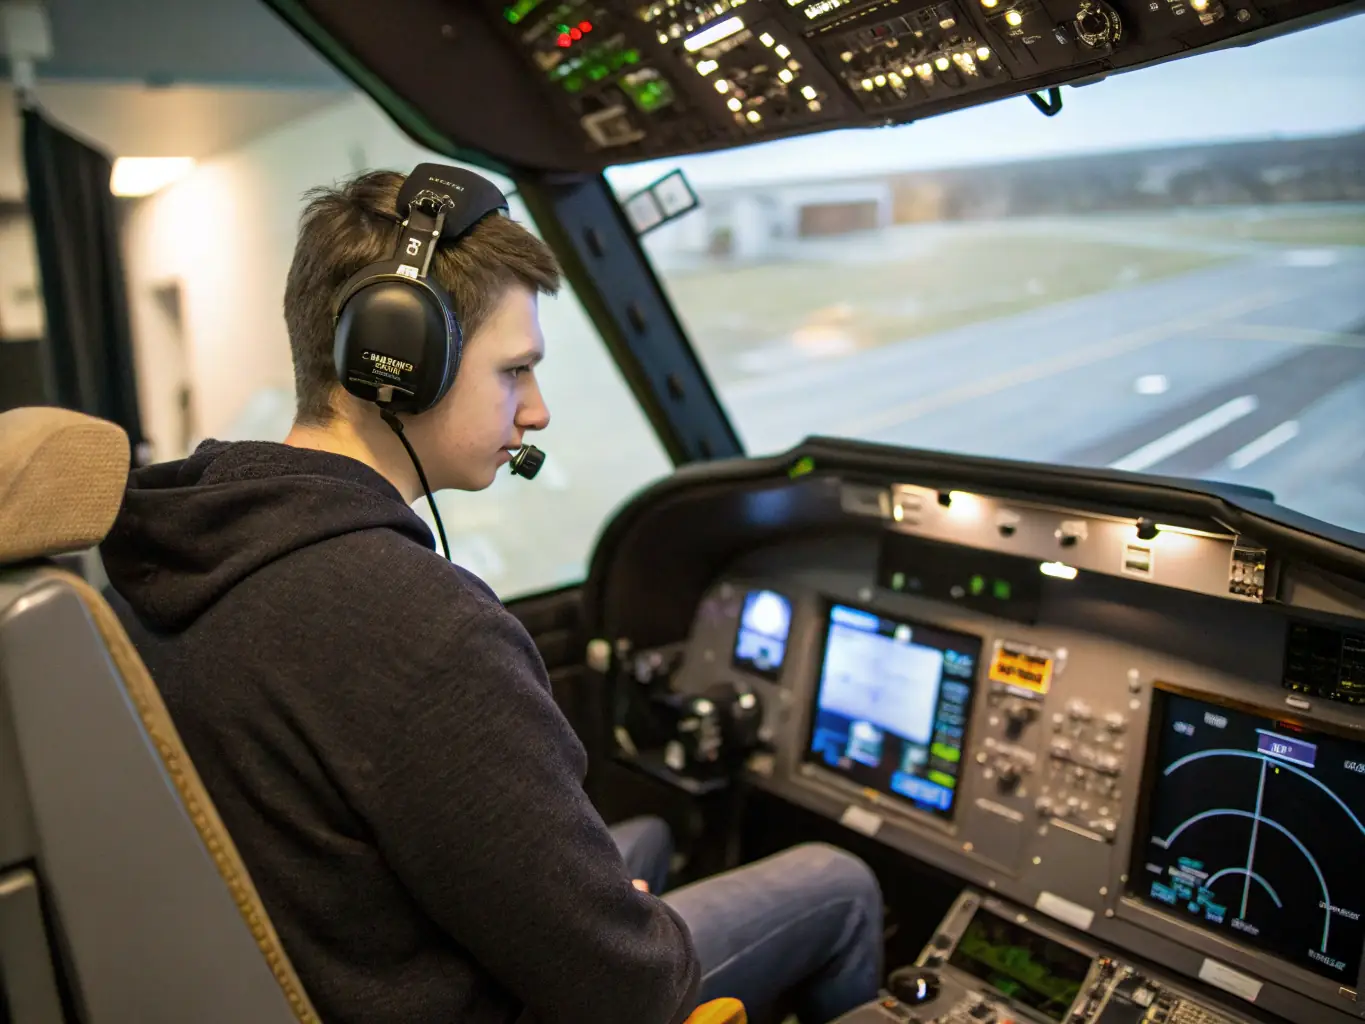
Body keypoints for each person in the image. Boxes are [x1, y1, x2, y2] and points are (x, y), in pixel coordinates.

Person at [100, 165, 883, 1024]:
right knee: (837, 883)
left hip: (339, 959)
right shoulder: (421, 628)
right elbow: (632, 988)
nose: (536, 410)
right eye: (514, 370)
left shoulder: (181, 550)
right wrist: (616, 924)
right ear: (397, 359)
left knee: (650, 840)